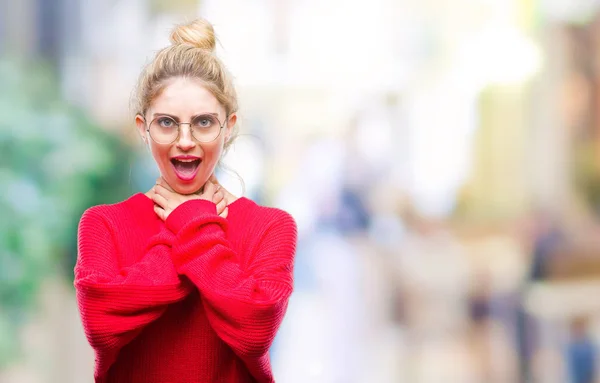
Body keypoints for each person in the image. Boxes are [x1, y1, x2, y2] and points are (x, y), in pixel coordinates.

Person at [74, 19, 297, 383]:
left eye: (204, 122)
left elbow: (256, 329)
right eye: (166, 123)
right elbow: (100, 326)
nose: (185, 140)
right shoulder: (103, 223)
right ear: (142, 128)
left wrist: (190, 220)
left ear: (229, 126)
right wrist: (192, 222)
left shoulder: (271, 226)